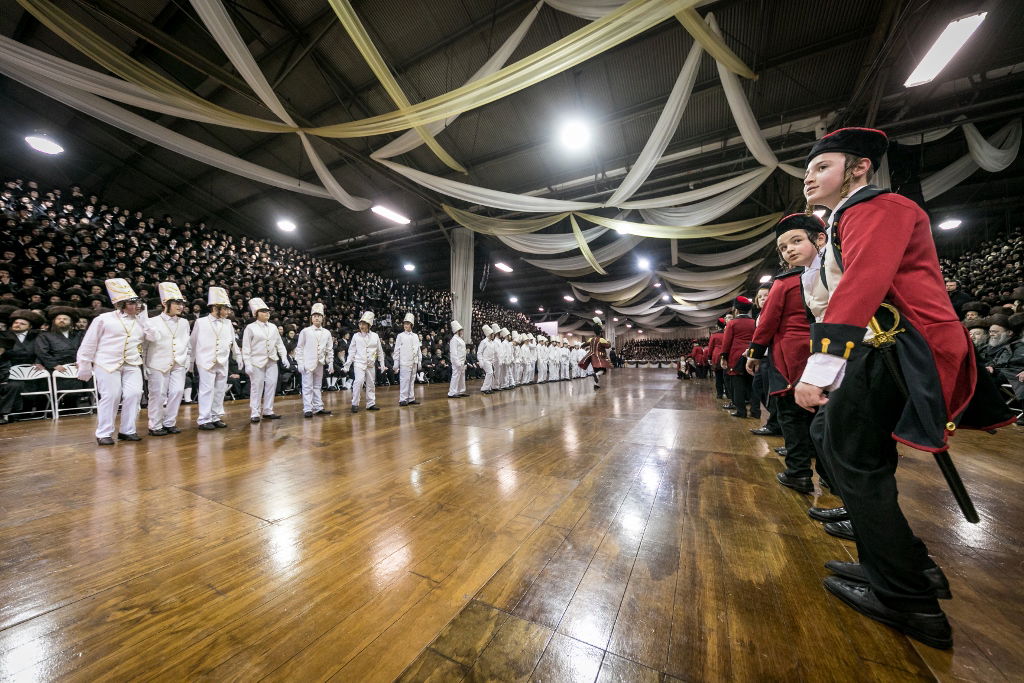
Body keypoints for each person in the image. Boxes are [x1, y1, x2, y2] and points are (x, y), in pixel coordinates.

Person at [794, 126, 1014, 650]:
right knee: (840, 444)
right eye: (807, 171)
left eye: (822, 167)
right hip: (885, 344)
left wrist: (820, 368)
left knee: (851, 455)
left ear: (859, 168)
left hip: (903, 344)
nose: (809, 178)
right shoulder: (849, 214)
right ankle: (903, 565)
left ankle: (907, 597)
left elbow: (863, 282)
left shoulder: (877, 206)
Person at [746, 214, 830, 494]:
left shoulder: (784, 283)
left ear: (819, 239)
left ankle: (798, 472)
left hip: (791, 356)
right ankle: (829, 476)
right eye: (783, 247)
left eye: (796, 241)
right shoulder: (832, 271)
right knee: (822, 417)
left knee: (792, 416)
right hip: (827, 351)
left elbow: (768, 322)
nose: (789, 250)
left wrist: (754, 353)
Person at [76, 278, 161, 444]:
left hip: (132, 363)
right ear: (121, 304)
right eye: (132, 303)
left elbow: (154, 337)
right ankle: (104, 433)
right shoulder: (103, 319)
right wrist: (84, 364)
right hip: (106, 363)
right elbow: (89, 343)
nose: (137, 306)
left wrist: (144, 320)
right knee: (111, 396)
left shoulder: (142, 322)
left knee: (134, 394)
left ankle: (127, 430)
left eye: (138, 302)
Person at [144, 282, 191, 435]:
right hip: (157, 362)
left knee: (177, 392)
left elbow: (187, 342)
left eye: (182, 304)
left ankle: (170, 422)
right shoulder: (152, 321)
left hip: (179, 361)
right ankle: (155, 425)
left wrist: (187, 359)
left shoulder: (184, 322)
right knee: (158, 394)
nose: (180, 307)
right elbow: (145, 346)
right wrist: (144, 365)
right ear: (165, 303)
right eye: (177, 303)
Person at [190, 286, 240, 430]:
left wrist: (237, 355)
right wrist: (190, 362)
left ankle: (215, 416)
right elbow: (193, 343)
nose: (228, 312)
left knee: (220, 389)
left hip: (222, 360)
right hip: (205, 360)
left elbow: (232, 341)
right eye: (225, 308)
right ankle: (204, 419)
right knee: (206, 389)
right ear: (215, 308)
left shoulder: (228, 323)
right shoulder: (200, 322)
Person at [242, 297, 289, 423]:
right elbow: (246, 347)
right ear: (256, 314)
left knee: (271, 385)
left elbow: (279, 343)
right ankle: (255, 412)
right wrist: (247, 363)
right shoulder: (250, 328)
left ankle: (268, 410)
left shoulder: (273, 327)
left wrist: (284, 356)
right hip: (256, 361)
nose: (267, 313)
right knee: (256, 387)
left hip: (272, 360)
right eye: (263, 311)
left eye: (268, 311)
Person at [295, 303, 334, 418]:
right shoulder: (305, 331)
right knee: (307, 386)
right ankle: (308, 408)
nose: (317, 318)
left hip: (320, 363)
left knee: (317, 386)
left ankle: (318, 407)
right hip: (308, 363)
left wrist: (331, 362)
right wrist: (300, 362)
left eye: (319, 316)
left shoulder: (327, 332)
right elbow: (299, 348)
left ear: (323, 318)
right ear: (311, 318)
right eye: (314, 316)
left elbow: (329, 349)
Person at [721, 297, 756, 417]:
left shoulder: (732, 323)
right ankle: (755, 411)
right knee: (752, 384)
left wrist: (724, 356)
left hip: (736, 357)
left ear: (736, 310)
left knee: (738, 385)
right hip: (751, 355)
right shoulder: (754, 322)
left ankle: (741, 411)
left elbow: (726, 342)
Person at [344, 310, 385, 412]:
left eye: (364, 324)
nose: (361, 326)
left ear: (369, 325)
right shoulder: (356, 336)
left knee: (371, 384)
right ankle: (355, 403)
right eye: (360, 324)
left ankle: (371, 404)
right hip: (359, 363)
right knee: (358, 382)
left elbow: (379, 351)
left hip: (371, 364)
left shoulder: (375, 336)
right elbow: (351, 351)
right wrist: (347, 365)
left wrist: (382, 364)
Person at [394, 312, 421, 406]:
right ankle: (403, 399)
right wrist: (396, 362)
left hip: (414, 362)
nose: (405, 325)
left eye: (408, 324)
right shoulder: (400, 336)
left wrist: (419, 361)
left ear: (411, 325)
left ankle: (411, 398)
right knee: (404, 380)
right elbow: (396, 350)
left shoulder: (415, 336)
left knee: (412, 380)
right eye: (405, 323)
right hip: (404, 361)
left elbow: (418, 349)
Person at [448, 320, 468, 398]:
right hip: (457, 361)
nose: (462, 332)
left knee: (462, 377)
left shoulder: (460, 339)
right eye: (461, 330)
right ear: (457, 331)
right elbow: (454, 352)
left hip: (462, 361)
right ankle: (452, 392)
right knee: (455, 376)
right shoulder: (454, 340)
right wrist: (457, 362)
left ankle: (461, 391)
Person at [707, 319, 726, 399]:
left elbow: (710, 347)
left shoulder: (714, 335)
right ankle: (728, 394)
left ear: (717, 326)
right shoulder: (727, 333)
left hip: (717, 357)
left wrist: (709, 357)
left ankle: (719, 394)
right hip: (726, 356)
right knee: (727, 377)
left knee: (718, 377)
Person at [477, 324, 497, 394]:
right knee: (490, 373)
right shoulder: (484, 342)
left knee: (490, 374)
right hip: (485, 360)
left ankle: (488, 387)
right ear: (489, 334)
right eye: (492, 334)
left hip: (490, 361)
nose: (493, 335)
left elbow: (493, 352)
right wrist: (480, 361)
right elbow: (479, 352)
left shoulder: (492, 343)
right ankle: (484, 388)